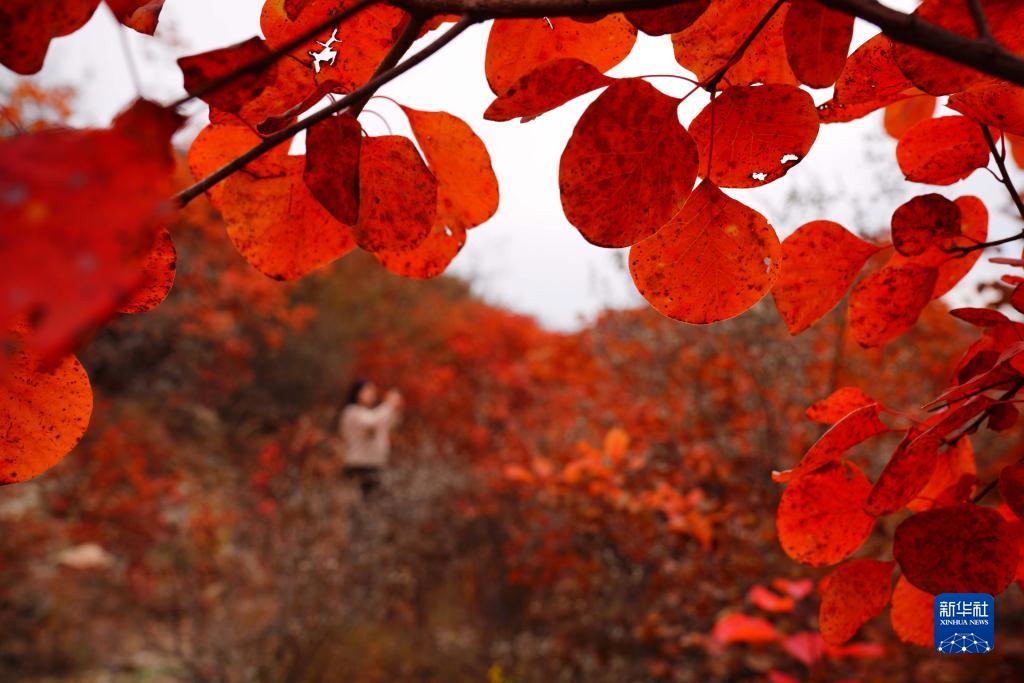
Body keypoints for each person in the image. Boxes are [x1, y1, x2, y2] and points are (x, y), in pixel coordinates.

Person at [339, 379, 402, 498]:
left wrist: (395, 408)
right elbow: (372, 421)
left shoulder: (372, 413)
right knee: (358, 506)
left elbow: (390, 423)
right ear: (357, 392)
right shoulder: (352, 412)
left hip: (375, 465)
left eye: (372, 390)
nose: (372, 393)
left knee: (373, 505)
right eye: (367, 390)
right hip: (358, 466)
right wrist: (389, 404)